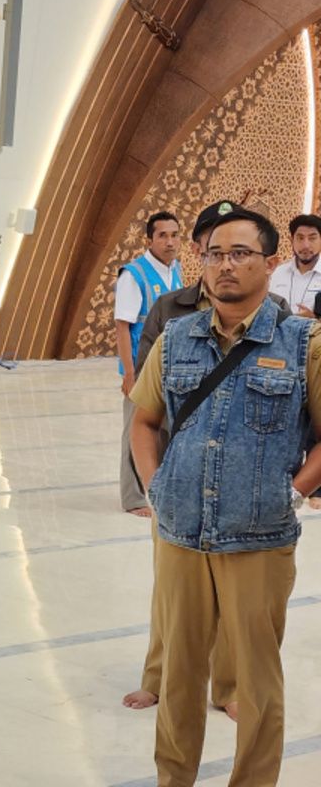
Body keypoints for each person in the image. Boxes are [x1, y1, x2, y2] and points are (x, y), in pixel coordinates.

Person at [130, 207, 321, 785]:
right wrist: (156, 487)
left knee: (258, 684)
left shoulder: (303, 342)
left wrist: (292, 492)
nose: (225, 266)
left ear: (270, 262)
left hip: (259, 540)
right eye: (214, 254)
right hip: (181, 535)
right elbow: (143, 421)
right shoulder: (175, 339)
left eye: (240, 253)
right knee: (181, 679)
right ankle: (174, 779)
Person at [116, 211, 184, 517]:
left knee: (168, 430)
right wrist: (129, 373)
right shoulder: (134, 275)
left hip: (171, 365)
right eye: (163, 236)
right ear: (149, 240)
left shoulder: (176, 270)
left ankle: (163, 489)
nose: (170, 242)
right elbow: (122, 326)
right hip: (142, 368)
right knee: (135, 430)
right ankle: (133, 498)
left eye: (175, 235)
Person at [269, 213, 321, 317]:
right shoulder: (276, 273)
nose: (306, 245)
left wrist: (315, 321)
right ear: (291, 240)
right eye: (300, 238)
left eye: (312, 238)